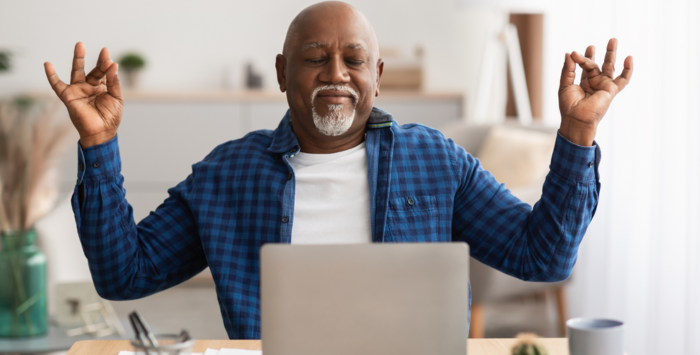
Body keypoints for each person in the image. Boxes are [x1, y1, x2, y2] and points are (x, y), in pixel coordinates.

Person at [43, 1, 632, 339]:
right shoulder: (228, 174)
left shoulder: (436, 160)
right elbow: (124, 275)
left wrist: (578, 133)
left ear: (376, 74)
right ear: (281, 72)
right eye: (314, 58)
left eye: (353, 60)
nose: (336, 74)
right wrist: (99, 144)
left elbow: (545, 256)